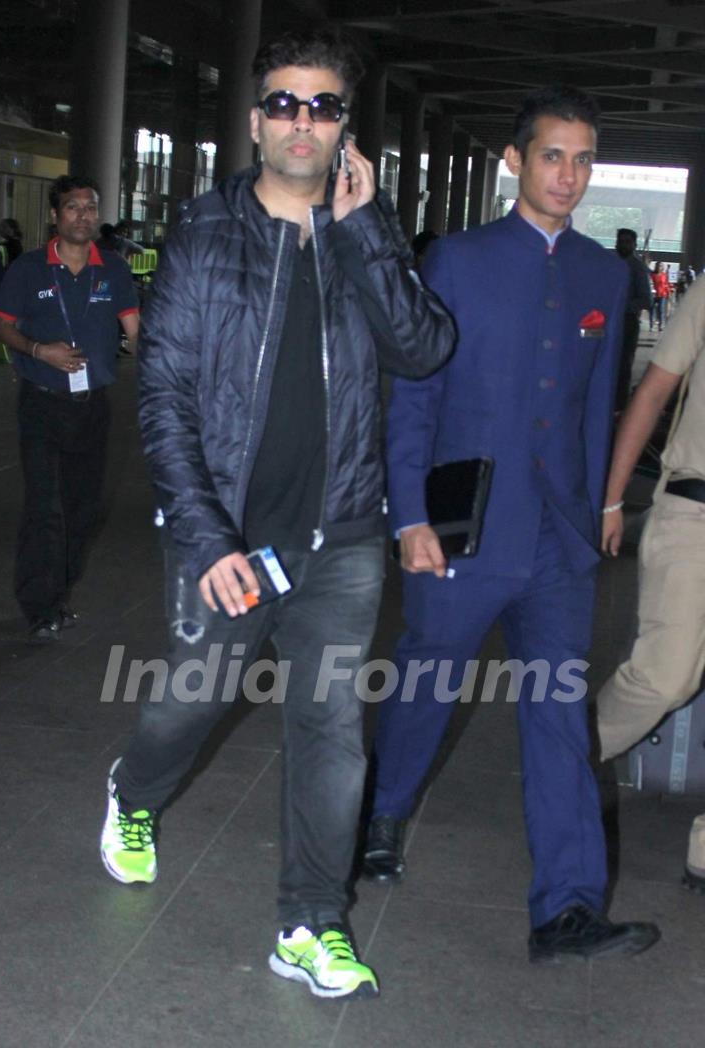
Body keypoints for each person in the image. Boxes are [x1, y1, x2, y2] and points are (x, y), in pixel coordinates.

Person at [98, 27, 453, 1002]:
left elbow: (424, 348)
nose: (303, 120)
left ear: (345, 129)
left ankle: (310, 922)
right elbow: (164, 393)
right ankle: (133, 794)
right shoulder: (206, 235)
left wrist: (367, 229)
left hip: (341, 538)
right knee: (191, 701)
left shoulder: (361, 234)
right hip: (232, 535)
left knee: (333, 731)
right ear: (257, 121)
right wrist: (207, 533)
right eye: (286, 103)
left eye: (324, 105)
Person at [363, 84, 660, 962]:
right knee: (427, 680)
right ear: (515, 161)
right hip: (465, 528)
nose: (568, 175)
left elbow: (597, 407)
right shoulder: (454, 259)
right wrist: (410, 515)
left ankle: (566, 909)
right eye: (552, 155)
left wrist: (602, 507)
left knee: (560, 716)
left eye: (582, 158)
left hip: (559, 540)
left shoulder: (608, 276)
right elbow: (414, 395)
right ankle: (380, 817)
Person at [0, 176, 140, 641]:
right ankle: (40, 604)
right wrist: (40, 351)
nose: (83, 215)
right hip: (42, 403)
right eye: (73, 207)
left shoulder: (112, 269)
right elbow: (3, 326)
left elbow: (135, 330)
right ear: (56, 217)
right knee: (44, 507)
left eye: (90, 207)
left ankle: (58, 594)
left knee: (83, 509)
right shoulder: (30, 269)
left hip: (92, 406)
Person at [597, 275, 705, 892]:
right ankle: (571, 760)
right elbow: (655, 390)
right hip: (692, 510)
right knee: (667, 675)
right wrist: (613, 498)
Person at [614, 228, 652, 412]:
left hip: (627, 321)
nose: (623, 244)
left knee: (623, 366)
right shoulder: (611, 264)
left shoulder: (637, 268)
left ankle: (620, 407)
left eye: (627, 241)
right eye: (621, 241)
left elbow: (646, 299)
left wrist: (624, 306)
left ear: (634, 245)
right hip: (609, 321)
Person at [650, 261, 669, 332]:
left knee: (660, 310)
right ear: (656, 266)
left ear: (662, 267)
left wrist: (667, 291)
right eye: (658, 265)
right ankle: (651, 325)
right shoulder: (652, 275)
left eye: (660, 266)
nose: (659, 267)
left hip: (662, 294)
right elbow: (650, 284)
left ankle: (660, 325)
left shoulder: (664, 275)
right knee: (651, 310)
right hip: (653, 295)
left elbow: (666, 284)